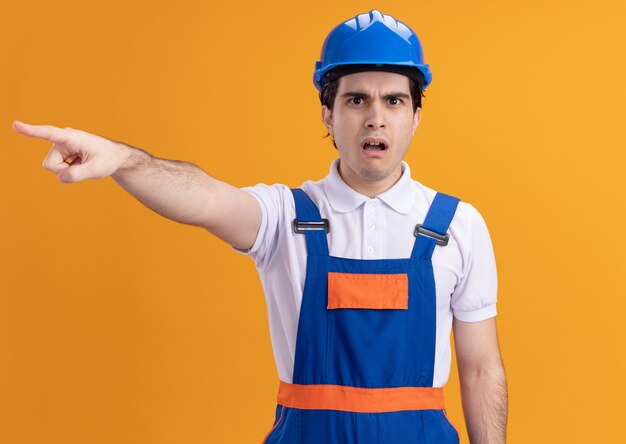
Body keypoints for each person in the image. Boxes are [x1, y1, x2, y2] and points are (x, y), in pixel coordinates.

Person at [13, 9, 507, 444]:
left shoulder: (457, 226)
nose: (375, 118)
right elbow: (204, 197)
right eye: (356, 100)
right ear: (328, 116)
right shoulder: (284, 217)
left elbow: (481, 368)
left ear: (416, 117)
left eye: (394, 101)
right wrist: (123, 160)